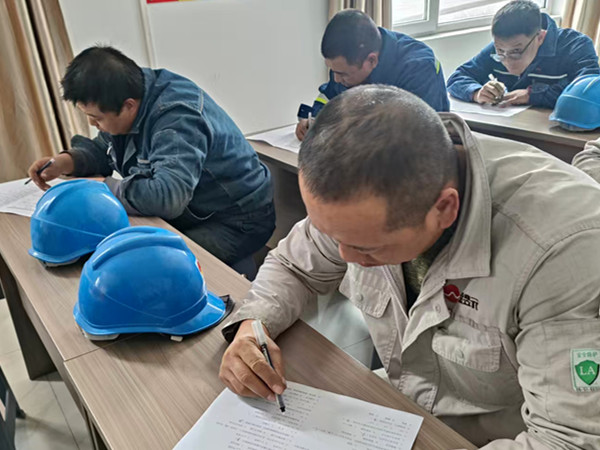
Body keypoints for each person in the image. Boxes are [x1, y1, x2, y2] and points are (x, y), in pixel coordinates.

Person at [219, 85, 600, 448]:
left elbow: (567, 440)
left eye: (365, 247)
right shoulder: (361, 197)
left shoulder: (560, 253)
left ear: (444, 209)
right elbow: (293, 266)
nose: (343, 256)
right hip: (403, 408)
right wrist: (254, 327)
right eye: (331, 236)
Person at [28, 46, 275, 268]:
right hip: (193, 211)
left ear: (129, 106)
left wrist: (103, 188)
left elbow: (168, 196)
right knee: (115, 250)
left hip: (236, 220)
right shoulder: (124, 92)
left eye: (96, 118)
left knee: (149, 266)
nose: (93, 124)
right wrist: (66, 161)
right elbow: (105, 149)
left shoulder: (176, 119)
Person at [295, 9, 449, 140]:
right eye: (333, 71)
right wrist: (314, 121)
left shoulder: (419, 68)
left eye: (342, 74)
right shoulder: (347, 63)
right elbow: (329, 97)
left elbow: (420, 135)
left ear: (371, 60)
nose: (336, 79)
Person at [447, 0, 599, 108]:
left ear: (540, 37)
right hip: (508, 126)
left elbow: (591, 92)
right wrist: (476, 92)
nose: (507, 61)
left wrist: (532, 95)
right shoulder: (499, 48)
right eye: (500, 51)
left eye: (516, 52)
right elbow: (457, 77)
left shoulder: (576, 46)